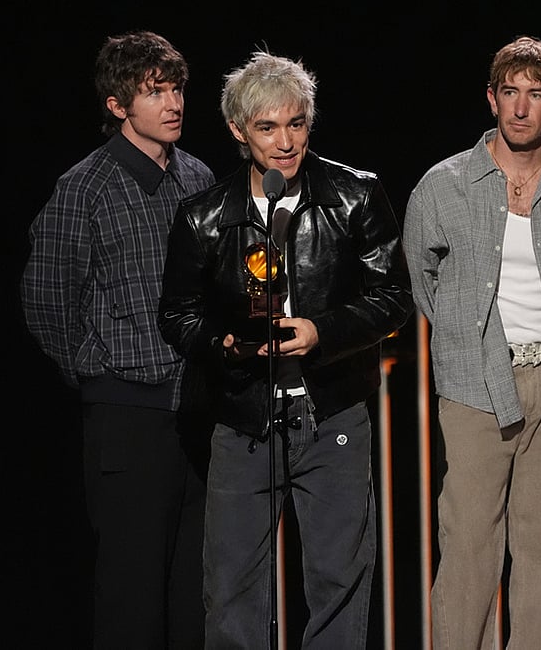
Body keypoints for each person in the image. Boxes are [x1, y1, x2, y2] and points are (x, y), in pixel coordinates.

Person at [158, 50, 413, 649]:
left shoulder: (355, 197)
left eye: (296, 124)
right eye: (268, 128)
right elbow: (176, 315)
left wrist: (322, 331)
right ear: (238, 131)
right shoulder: (205, 217)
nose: (285, 142)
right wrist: (222, 344)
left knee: (340, 580)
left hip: (333, 416)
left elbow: (394, 297)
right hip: (243, 419)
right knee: (232, 591)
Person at [403, 35, 541, 649]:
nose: (521, 109)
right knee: (467, 549)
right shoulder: (444, 186)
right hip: (474, 386)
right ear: (490, 98)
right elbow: (424, 281)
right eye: (510, 93)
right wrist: (468, 343)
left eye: (537, 95)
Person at [20, 30, 215, 650]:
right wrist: (96, 366)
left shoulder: (198, 176)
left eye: (177, 87)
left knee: (196, 592)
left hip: (198, 411)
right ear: (116, 104)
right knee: (132, 597)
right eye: (154, 92)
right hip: (127, 414)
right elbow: (47, 298)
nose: (173, 102)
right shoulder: (85, 187)